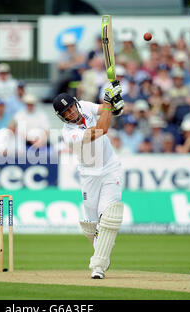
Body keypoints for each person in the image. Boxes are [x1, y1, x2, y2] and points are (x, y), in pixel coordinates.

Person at [52, 80, 124, 279]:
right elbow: (101, 130)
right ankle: (103, 250)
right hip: (89, 175)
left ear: (75, 103)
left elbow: (104, 110)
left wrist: (116, 104)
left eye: (71, 108)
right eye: (66, 113)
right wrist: (110, 105)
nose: (72, 113)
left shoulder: (84, 105)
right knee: (90, 225)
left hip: (110, 168)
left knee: (107, 217)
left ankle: (98, 265)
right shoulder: (69, 135)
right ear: (62, 117)